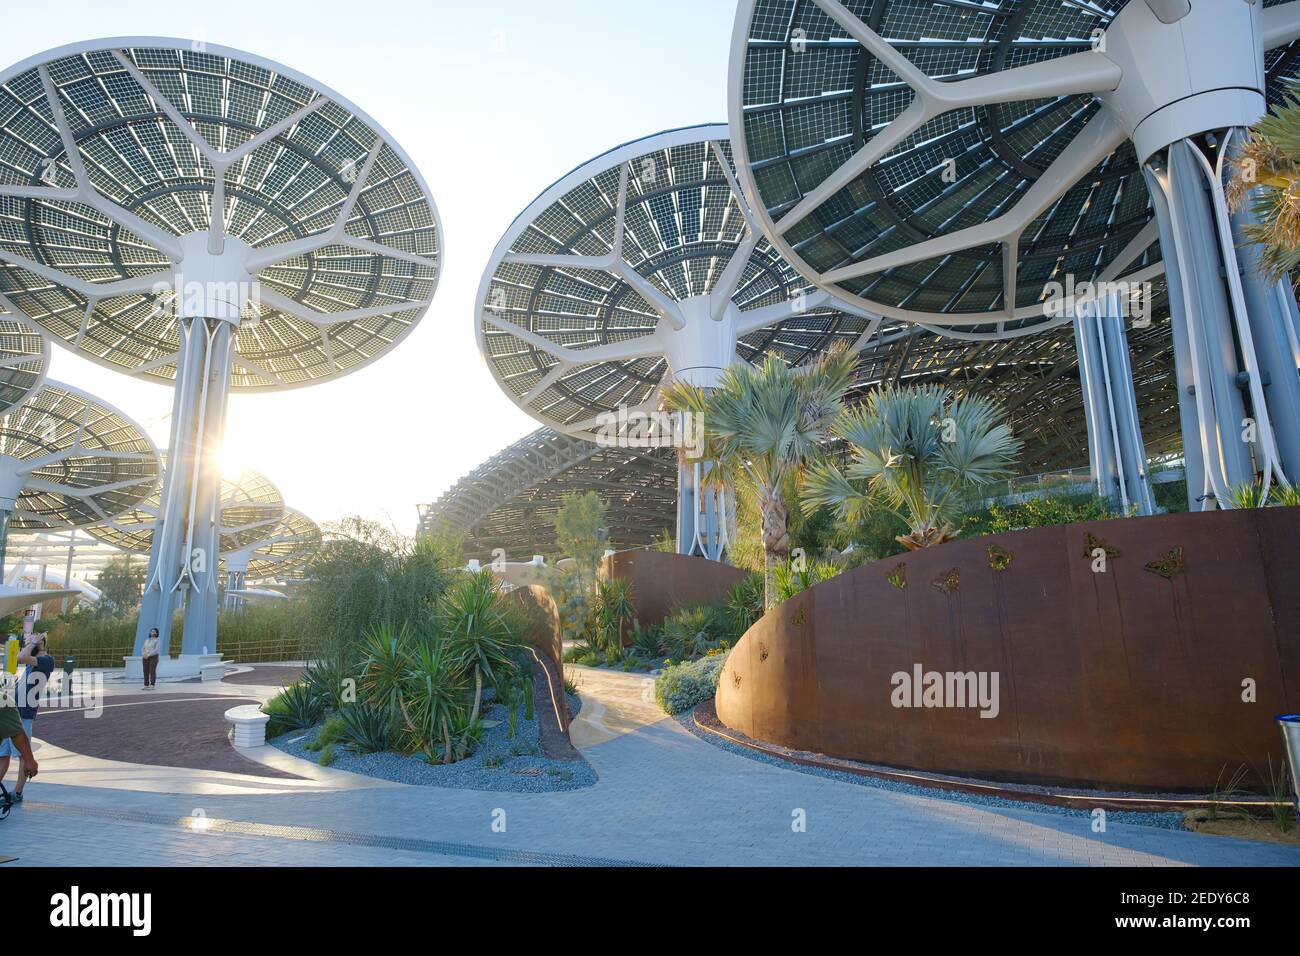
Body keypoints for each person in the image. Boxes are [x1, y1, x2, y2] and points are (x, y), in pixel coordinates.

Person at [0, 636, 52, 805]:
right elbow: (20, 659)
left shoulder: (46, 660)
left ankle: (18, 792)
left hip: (24, 714)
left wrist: (33, 643)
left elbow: (20, 657)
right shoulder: (34, 663)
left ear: (41, 643)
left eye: (31, 642)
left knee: (24, 754)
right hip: (13, 712)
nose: (27, 645)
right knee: (3, 755)